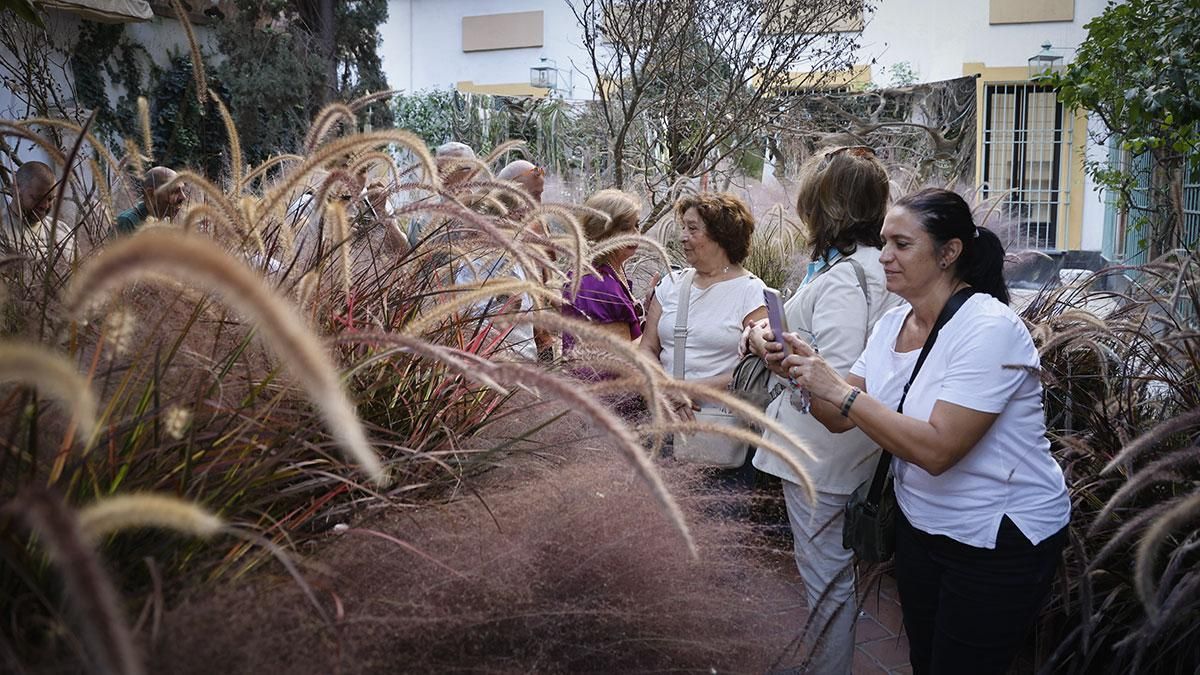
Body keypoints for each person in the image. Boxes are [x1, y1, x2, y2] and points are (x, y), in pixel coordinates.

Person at [776, 187, 1070, 674]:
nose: (885, 257)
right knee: (925, 659)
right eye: (884, 242)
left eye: (902, 244)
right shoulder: (893, 324)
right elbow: (836, 417)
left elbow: (938, 450)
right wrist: (802, 371)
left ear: (949, 252)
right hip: (922, 528)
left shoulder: (987, 327)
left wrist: (840, 390)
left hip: (997, 537)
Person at [744, 145, 903, 673]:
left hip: (824, 453)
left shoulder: (843, 278)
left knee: (826, 581)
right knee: (835, 577)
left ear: (824, 205)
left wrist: (780, 356)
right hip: (856, 445)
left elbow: (831, 373)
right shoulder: (878, 268)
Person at [640, 192, 768, 486]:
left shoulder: (751, 292)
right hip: (663, 423)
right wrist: (665, 390)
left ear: (721, 234)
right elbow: (647, 347)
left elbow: (755, 369)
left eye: (693, 228)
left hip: (720, 433)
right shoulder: (670, 285)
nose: (683, 237)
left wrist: (688, 390)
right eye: (683, 228)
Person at [563, 188, 644, 350]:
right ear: (600, 231)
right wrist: (659, 322)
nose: (634, 234)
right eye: (624, 228)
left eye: (637, 225)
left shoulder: (609, 274)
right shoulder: (599, 286)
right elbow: (623, 356)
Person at [1, 161, 73, 256]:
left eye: (50, 199)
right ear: (16, 189)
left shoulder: (63, 231)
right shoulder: (2, 231)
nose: (45, 205)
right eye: (38, 198)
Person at [114, 166, 186, 235]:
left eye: (183, 190)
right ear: (150, 194)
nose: (183, 197)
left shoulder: (164, 220)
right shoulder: (126, 223)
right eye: (174, 191)